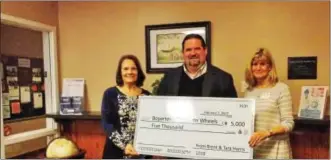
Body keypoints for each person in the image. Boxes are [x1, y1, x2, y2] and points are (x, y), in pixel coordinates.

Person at [244, 48, 294, 159]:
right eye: (254, 64)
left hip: (276, 151)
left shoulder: (282, 89)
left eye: (262, 64)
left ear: (270, 67)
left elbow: (288, 123)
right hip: (254, 150)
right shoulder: (249, 91)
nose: (258, 68)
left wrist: (267, 133)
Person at [101, 54, 151, 159]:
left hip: (140, 152)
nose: (129, 72)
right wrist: (124, 145)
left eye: (133, 68)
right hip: (116, 152)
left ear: (138, 72)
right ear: (120, 72)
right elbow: (107, 124)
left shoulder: (147, 96)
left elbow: (150, 126)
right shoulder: (110, 94)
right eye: (125, 69)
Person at [157, 33, 237, 98]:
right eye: (188, 50)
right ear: (183, 53)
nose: (193, 53)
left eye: (197, 49)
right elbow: (159, 105)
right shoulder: (169, 77)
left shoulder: (223, 79)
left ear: (205, 51)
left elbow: (232, 111)